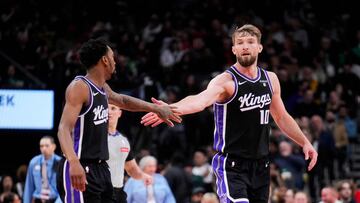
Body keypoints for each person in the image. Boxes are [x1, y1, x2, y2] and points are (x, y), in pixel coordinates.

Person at [141, 24, 318, 203]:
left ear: (259, 47)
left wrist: (304, 142)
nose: (245, 46)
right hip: (231, 165)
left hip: (261, 165)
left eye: (250, 42)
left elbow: (281, 117)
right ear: (234, 49)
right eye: (240, 42)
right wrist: (168, 108)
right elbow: (199, 101)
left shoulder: (270, 79)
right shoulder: (226, 81)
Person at [57, 38, 181, 203]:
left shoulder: (103, 88)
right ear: (105, 60)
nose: (115, 61)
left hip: (101, 168)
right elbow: (63, 129)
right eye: (113, 56)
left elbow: (122, 101)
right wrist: (73, 162)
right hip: (81, 164)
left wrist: (156, 108)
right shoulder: (80, 87)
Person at [106, 103, 153, 203]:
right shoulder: (94, 136)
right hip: (99, 191)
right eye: (106, 108)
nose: (109, 112)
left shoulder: (123, 141)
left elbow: (131, 169)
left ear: (120, 113)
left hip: (118, 192)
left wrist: (144, 176)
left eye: (113, 108)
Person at [23, 136, 61, 203]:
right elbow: (29, 186)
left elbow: (64, 187)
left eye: (47, 146)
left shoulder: (60, 162)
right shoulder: (34, 162)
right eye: (41, 146)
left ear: (54, 147)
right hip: (38, 199)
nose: (44, 148)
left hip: (55, 200)